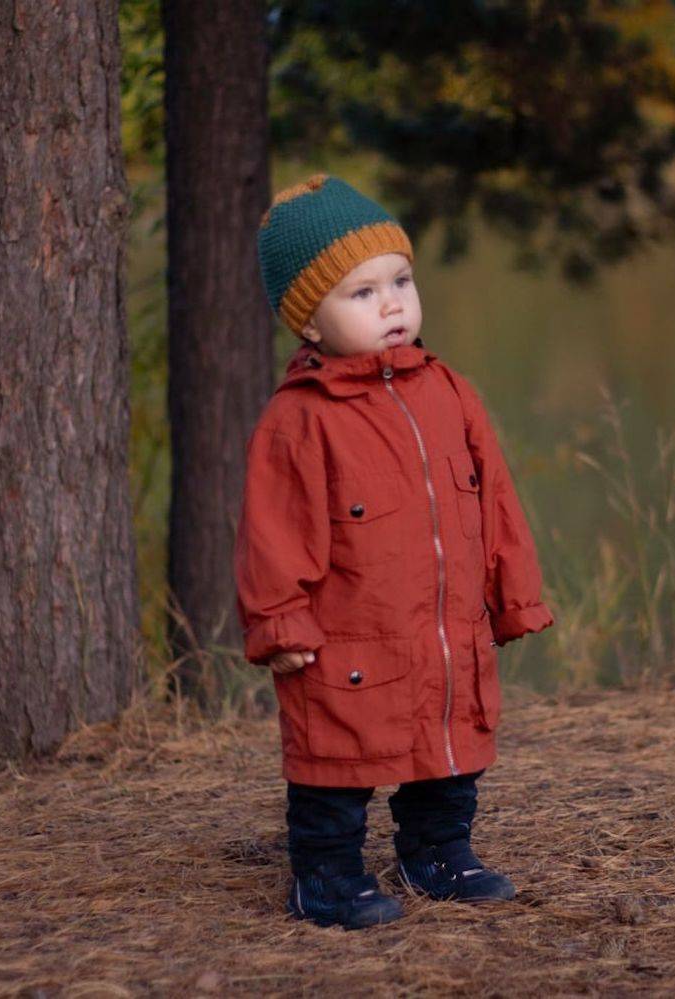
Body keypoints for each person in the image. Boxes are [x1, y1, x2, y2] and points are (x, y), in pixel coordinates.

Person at [234, 173, 555, 930]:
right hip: (346, 637)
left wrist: (513, 596)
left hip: (444, 629)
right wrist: (279, 620)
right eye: (362, 292)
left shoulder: (449, 391)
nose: (392, 305)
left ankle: (438, 851)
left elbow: (496, 500)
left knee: (449, 746)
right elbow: (272, 531)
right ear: (310, 325)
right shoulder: (300, 419)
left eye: (401, 282)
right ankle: (326, 875)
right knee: (335, 761)